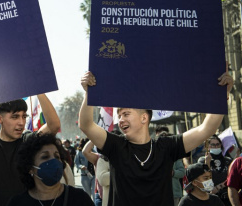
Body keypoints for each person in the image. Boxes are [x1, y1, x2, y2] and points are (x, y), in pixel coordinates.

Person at [78, 71, 233, 206]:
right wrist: (89, 93)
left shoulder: (166, 146)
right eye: (119, 116)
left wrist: (222, 94)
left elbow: (206, 129)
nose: (121, 120)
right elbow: (86, 125)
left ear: (144, 118)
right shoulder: (116, 145)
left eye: (126, 114)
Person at [0, 94, 61, 206]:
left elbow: (54, 126)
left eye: (24, 117)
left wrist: (39, 91)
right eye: (15, 117)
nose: (21, 123)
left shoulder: (27, 142)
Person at [6, 133, 94, 206]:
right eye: (45, 157)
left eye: (57, 156)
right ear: (30, 168)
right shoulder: (17, 203)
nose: (53, 161)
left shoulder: (80, 198)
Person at [198, 135, 233, 205]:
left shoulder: (227, 160)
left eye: (218, 144)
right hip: (211, 198)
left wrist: (219, 187)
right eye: (213, 145)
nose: (216, 147)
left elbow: (232, 177)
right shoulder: (202, 160)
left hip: (227, 197)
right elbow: (203, 178)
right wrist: (207, 163)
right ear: (208, 147)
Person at [158, 131, 185, 206]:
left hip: (174, 194)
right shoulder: (155, 158)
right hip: (159, 194)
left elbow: (182, 172)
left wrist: (173, 173)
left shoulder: (176, 158)